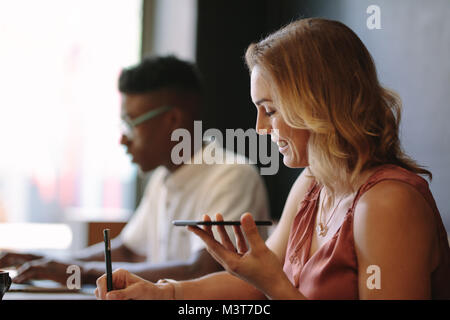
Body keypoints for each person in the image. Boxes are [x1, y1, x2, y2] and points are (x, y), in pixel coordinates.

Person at [95, 18, 450, 300]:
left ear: (316, 105)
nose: (260, 128)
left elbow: (272, 287)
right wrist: (162, 293)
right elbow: (255, 286)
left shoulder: (388, 203)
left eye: (270, 110)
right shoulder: (313, 183)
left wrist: (274, 286)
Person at [0, 56, 270, 286]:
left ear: (173, 119)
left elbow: (200, 271)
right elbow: (129, 250)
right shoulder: (164, 178)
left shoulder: (232, 176)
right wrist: (47, 261)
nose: (123, 139)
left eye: (131, 124)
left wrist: (79, 273)